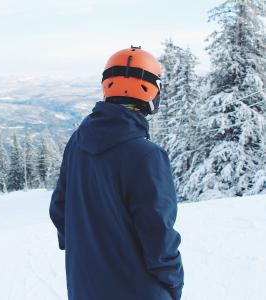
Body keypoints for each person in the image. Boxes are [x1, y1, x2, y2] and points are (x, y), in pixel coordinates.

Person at [49, 46, 184, 300]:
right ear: (151, 91)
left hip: (84, 289)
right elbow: (159, 237)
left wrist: (87, 254)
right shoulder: (147, 156)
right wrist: (174, 286)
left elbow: (59, 209)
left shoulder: (77, 143)